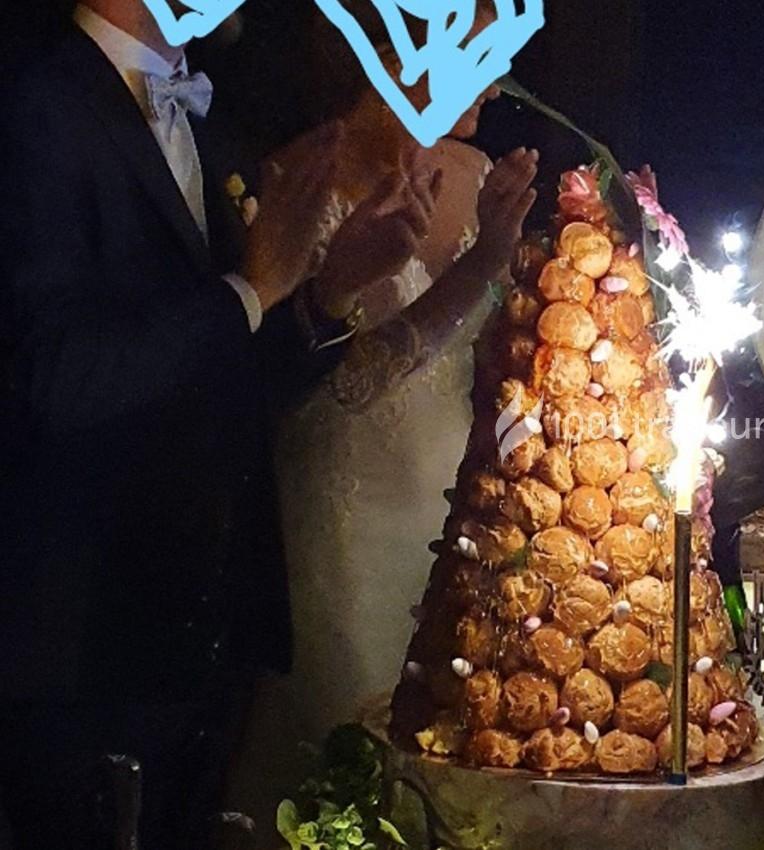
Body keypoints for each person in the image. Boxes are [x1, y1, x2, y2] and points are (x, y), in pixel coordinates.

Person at [0, 1, 438, 847]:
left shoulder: (203, 113)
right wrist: (249, 290)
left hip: (204, 631)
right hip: (83, 640)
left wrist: (326, 292)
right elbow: (50, 380)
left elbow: (232, 378)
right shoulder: (34, 105)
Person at [227, 0, 538, 823]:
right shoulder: (299, 184)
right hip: (339, 535)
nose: (499, 80)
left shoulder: (479, 181)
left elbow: (502, 370)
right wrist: (481, 271)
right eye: (478, 48)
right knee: (356, 785)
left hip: (460, 521)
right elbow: (331, 391)